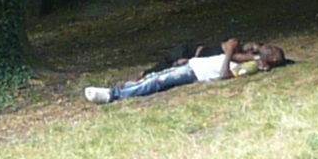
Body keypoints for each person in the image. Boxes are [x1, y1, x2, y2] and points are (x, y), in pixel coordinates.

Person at [82, 38, 287, 104]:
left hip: (196, 73)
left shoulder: (252, 66)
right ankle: (119, 90)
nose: (265, 47)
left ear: (268, 61)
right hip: (194, 65)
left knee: (156, 83)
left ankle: (112, 95)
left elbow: (225, 75)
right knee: (154, 76)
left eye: (269, 51)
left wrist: (231, 53)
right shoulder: (251, 57)